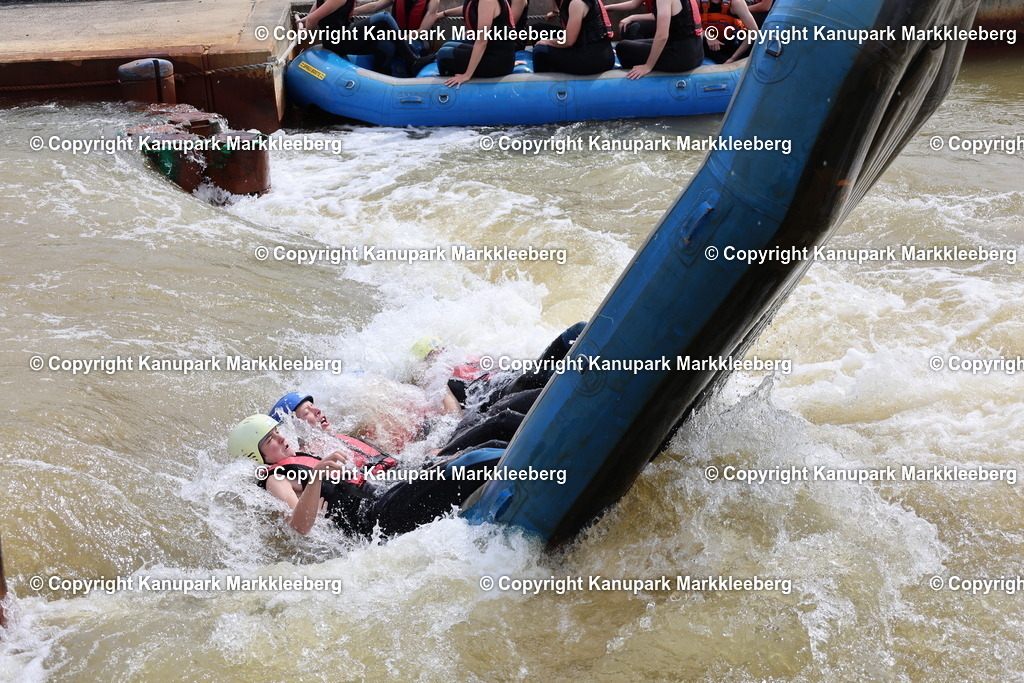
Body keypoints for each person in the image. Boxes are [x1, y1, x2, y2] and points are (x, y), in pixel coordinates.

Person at [229, 414, 503, 537]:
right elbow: (299, 528)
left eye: (277, 431)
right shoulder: (275, 478)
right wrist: (315, 479)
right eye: (270, 440)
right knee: (474, 460)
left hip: (387, 495)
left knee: (483, 437)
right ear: (257, 457)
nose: (280, 438)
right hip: (377, 518)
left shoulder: (299, 458)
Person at [303, 0, 429, 76]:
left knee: (386, 46)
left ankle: (383, 81)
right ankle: (412, 61)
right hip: (339, 40)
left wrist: (305, 22)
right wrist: (308, 32)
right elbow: (312, 18)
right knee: (384, 18)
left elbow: (313, 12)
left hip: (342, 35)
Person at [616, 0, 704, 78]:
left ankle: (634, 82)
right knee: (631, 43)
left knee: (622, 48)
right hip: (697, 54)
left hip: (681, 58)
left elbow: (662, 36)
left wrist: (648, 66)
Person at [436, 0, 517, 86]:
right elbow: (470, 7)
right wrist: (444, 13)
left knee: (443, 54)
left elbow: (482, 40)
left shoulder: (487, 1)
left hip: (495, 61)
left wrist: (467, 75)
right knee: (448, 45)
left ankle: (446, 88)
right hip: (493, 52)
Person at [532, 0, 615, 75]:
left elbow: (568, 41)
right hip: (582, 41)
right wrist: (555, 11)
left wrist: (547, 42)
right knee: (536, 30)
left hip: (594, 59)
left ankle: (547, 85)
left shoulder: (577, 3)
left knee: (539, 51)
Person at [698, 0, 758, 65]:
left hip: (729, 44)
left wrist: (733, 58)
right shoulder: (697, 1)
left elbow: (754, 31)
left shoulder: (736, 2)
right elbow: (689, 28)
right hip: (707, 43)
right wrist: (708, 35)